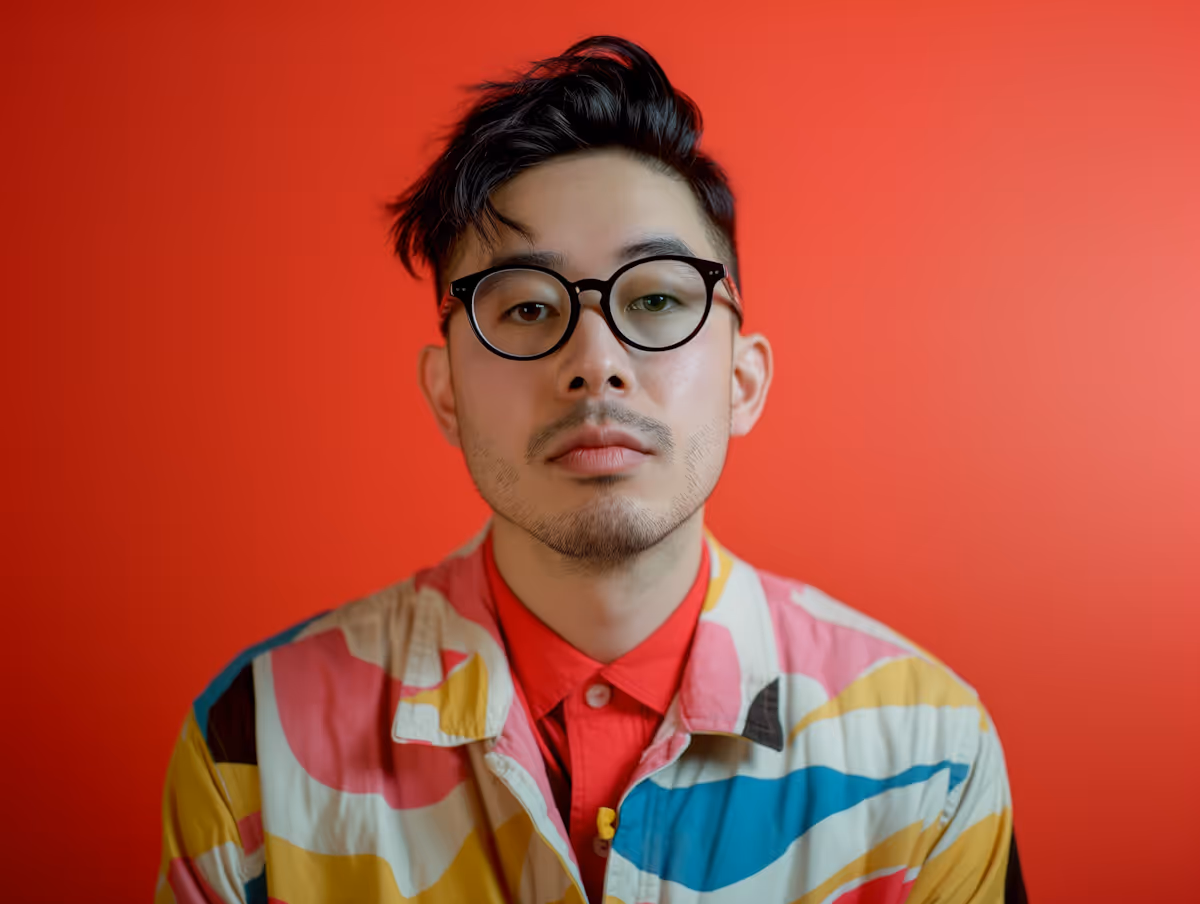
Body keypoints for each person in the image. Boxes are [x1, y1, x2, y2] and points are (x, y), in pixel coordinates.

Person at [157, 35, 1027, 904]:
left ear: (742, 379)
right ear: (446, 394)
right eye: (528, 307)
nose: (595, 361)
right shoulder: (257, 741)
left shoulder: (926, 756)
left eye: (653, 298)